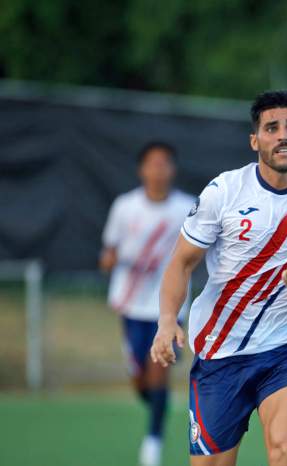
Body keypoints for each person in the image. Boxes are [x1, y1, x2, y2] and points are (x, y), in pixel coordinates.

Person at [150, 90, 287, 466]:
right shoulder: (223, 191)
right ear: (255, 140)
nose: (283, 135)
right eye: (271, 128)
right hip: (220, 350)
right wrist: (165, 322)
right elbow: (181, 263)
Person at [100, 141, 194, 466]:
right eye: (152, 164)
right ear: (142, 169)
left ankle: (152, 442)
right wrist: (112, 261)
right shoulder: (125, 207)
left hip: (167, 308)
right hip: (130, 305)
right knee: (141, 381)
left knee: (159, 374)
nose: (158, 170)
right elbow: (108, 253)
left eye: (165, 163)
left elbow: (197, 252)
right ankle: (158, 403)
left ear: (173, 169)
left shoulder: (186, 207)